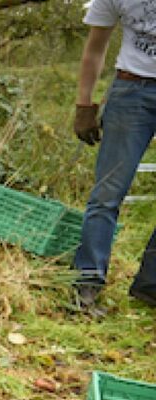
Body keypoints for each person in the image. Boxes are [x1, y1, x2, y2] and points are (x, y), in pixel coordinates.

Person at [72, 0, 156, 314]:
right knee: (108, 193)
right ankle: (87, 283)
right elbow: (95, 48)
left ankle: (151, 286)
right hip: (131, 92)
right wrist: (84, 105)